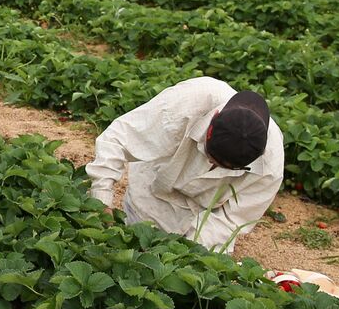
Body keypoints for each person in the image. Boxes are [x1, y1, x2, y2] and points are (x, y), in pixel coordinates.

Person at [85, 77, 284, 253]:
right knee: (134, 245)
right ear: (211, 124)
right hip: (152, 193)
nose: (211, 164)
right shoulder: (190, 101)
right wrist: (101, 201)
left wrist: (190, 253)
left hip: (204, 215)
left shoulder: (271, 163)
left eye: (224, 168)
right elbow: (118, 140)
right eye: (210, 156)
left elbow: (230, 220)